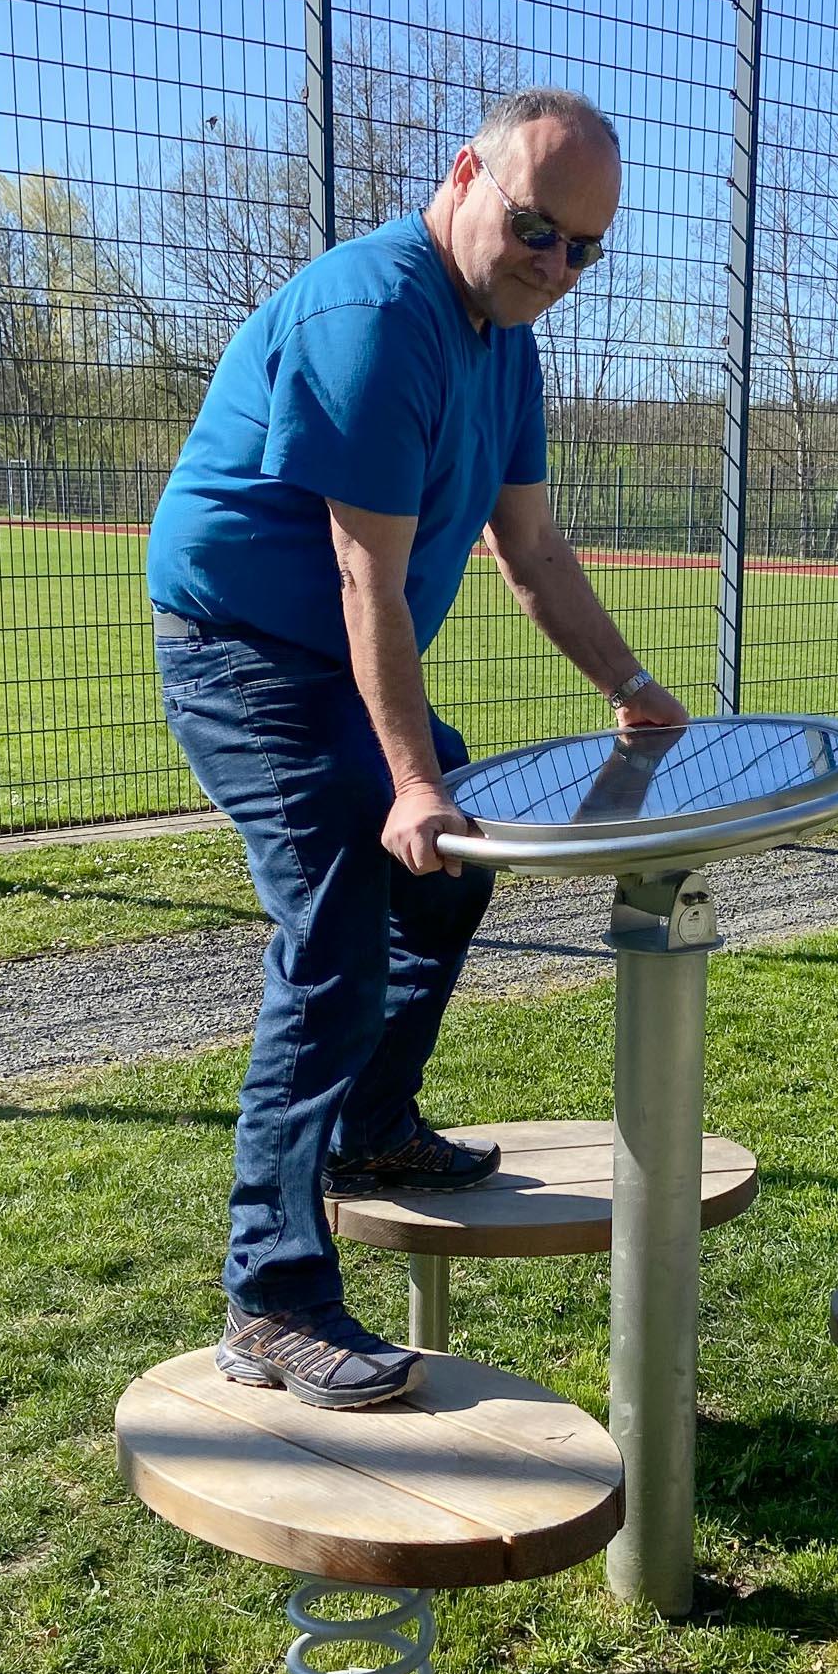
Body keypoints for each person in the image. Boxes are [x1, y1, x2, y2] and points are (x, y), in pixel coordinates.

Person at [146, 88, 687, 1410]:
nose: (554, 266)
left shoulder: (505, 339)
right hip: (244, 646)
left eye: (583, 251)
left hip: (335, 650)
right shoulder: (376, 315)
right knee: (334, 932)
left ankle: (370, 1133)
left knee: (452, 868)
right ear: (465, 177)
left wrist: (631, 685)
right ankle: (269, 1295)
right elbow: (362, 581)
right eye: (535, 227)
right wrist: (407, 777)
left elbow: (533, 550)